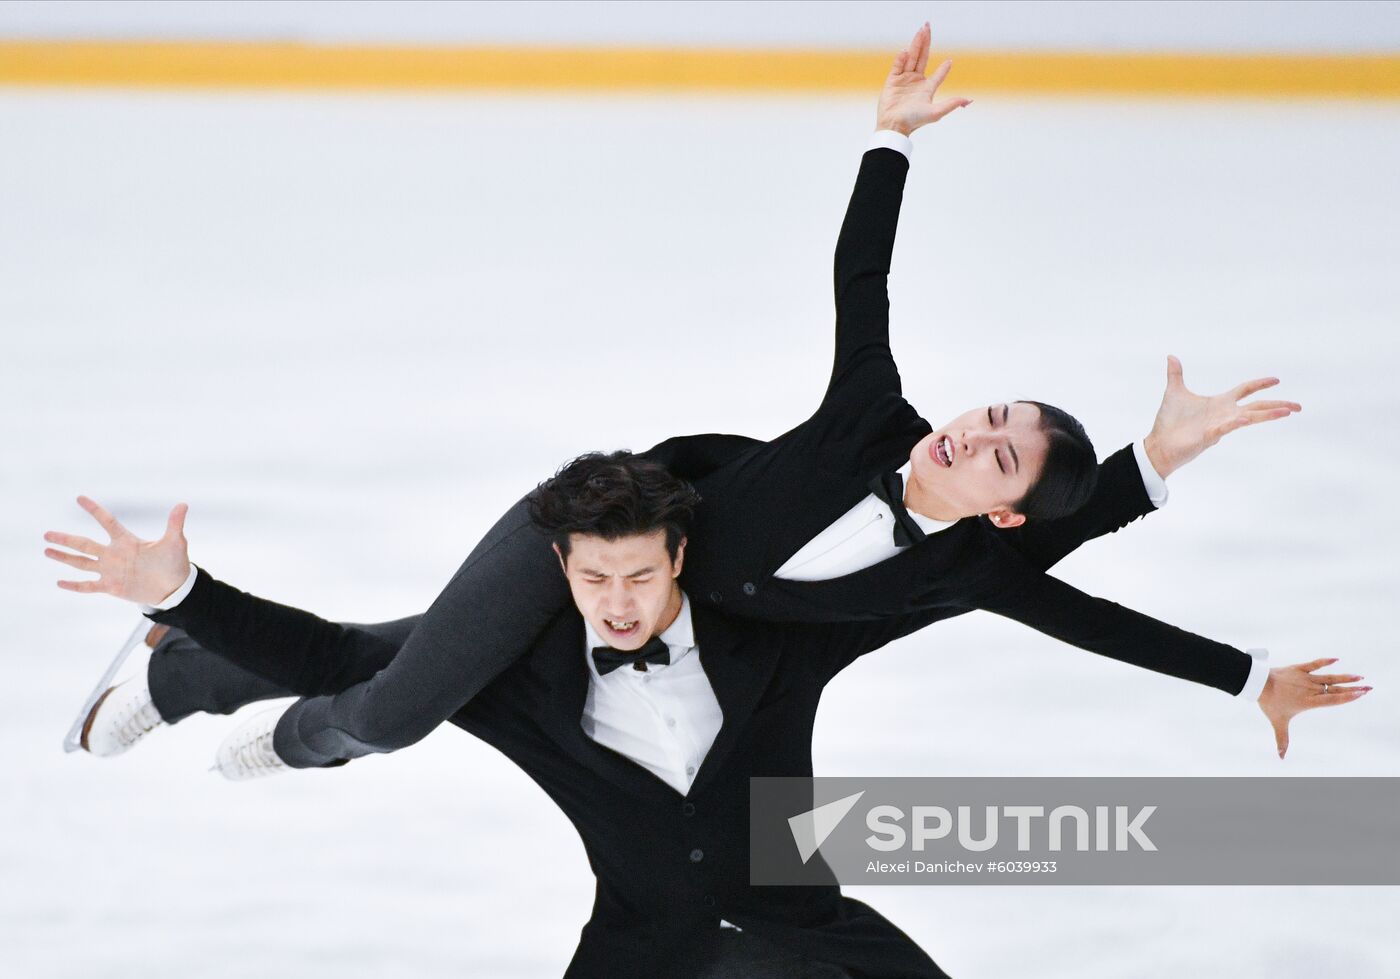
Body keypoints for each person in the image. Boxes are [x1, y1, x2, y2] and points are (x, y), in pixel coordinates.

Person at [50, 24, 1350, 776]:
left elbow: (1095, 619)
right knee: (391, 707)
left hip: (654, 613)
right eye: (993, 414)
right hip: (596, 530)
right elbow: (862, 279)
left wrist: (1248, 678)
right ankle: (275, 737)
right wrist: (890, 140)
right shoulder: (871, 416)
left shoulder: (971, 570)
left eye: (999, 456)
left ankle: (185, 669)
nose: (974, 432)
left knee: (395, 655)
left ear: (1003, 513)